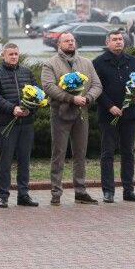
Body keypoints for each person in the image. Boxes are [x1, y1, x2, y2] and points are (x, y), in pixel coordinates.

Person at [41, 32, 102, 206]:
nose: (70, 43)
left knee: (80, 154)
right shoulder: (50, 64)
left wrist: (88, 98)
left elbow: (97, 85)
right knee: (58, 153)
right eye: (66, 41)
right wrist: (71, 98)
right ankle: (56, 192)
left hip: (81, 113)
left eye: (72, 40)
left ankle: (81, 191)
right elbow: (48, 86)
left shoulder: (86, 63)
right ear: (59, 44)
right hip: (60, 113)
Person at [92, 31, 135, 203]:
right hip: (108, 116)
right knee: (108, 153)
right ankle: (108, 191)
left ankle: (128, 190)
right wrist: (110, 106)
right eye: (114, 39)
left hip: (129, 115)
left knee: (128, 152)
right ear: (107, 42)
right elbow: (96, 89)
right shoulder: (98, 63)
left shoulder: (133, 61)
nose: (118, 42)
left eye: (120, 39)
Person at [0, 43, 40, 208]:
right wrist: (12, 109)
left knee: (24, 160)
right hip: (7, 124)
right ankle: (3, 195)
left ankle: (23, 194)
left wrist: (30, 109)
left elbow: (37, 93)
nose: (14, 57)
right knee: (6, 161)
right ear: (3, 55)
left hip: (26, 123)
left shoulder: (27, 72)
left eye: (16, 54)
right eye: (10, 54)